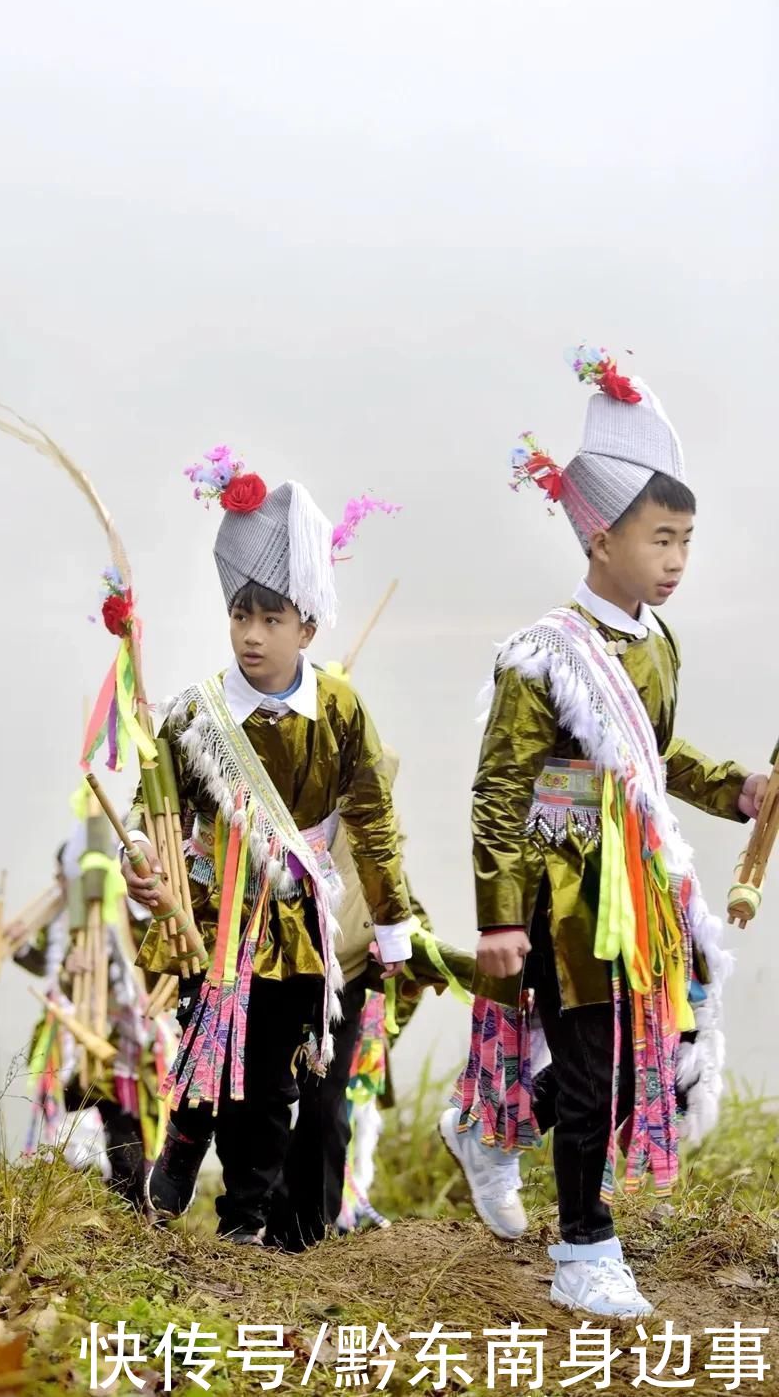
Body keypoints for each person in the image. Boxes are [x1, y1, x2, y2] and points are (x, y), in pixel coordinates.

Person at [440, 346, 767, 1318]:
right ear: (598, 539)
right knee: (590, 1065)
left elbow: (651, 758)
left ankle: (493, 1134)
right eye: (658, 538)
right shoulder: (539, 656)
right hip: (565, 894)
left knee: (642, 1063)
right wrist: (500, 916)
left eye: (684, 541)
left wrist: (738, 789)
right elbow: (501, 792)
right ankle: (583, 1248)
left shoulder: (657, 644)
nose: (673, 561)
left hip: (642, 890)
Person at [122, 449, 410, 1245]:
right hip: (218, 918)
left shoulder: (342, 709)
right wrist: (143, 869)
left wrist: (392, 924)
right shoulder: (193, 717)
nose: (252, 636)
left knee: (271, 1082)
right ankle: (184, 1134)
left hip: (302, 922)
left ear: (308, 625)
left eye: (272, 619)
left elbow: (375, 821)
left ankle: (243, 1217)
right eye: (241, 617)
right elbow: (153, 819)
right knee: (212, 1049)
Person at [265, 745, 475, 1251]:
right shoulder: (280, 808)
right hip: (274, 971)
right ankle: (256, 1216)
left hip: (347, 977)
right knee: (266, 1098)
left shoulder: (378, 829)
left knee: (327, 1105)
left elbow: (399, 899)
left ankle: (309, 1234)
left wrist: (417, 950)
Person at [10, 825, 176, 1206]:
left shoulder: (123, 921)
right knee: (69, 1124)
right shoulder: (63, 924)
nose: (57, 884)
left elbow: (146, 973)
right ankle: (73, 1206)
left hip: (123, 1049)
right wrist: (22, 945)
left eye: (62, 875)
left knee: (125, 1128)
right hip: (73, 1049)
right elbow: (45, 967)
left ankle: (137, 1206)